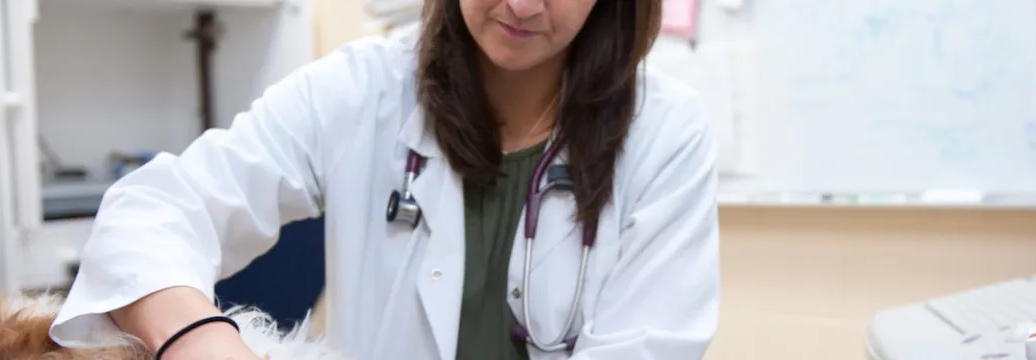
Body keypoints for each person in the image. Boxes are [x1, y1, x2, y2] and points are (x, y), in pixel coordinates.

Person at [46, 0, 722, 359]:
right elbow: (153, 211)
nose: (522, 3)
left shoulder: (665, 134)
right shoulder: (360, 91)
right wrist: (195, 338)